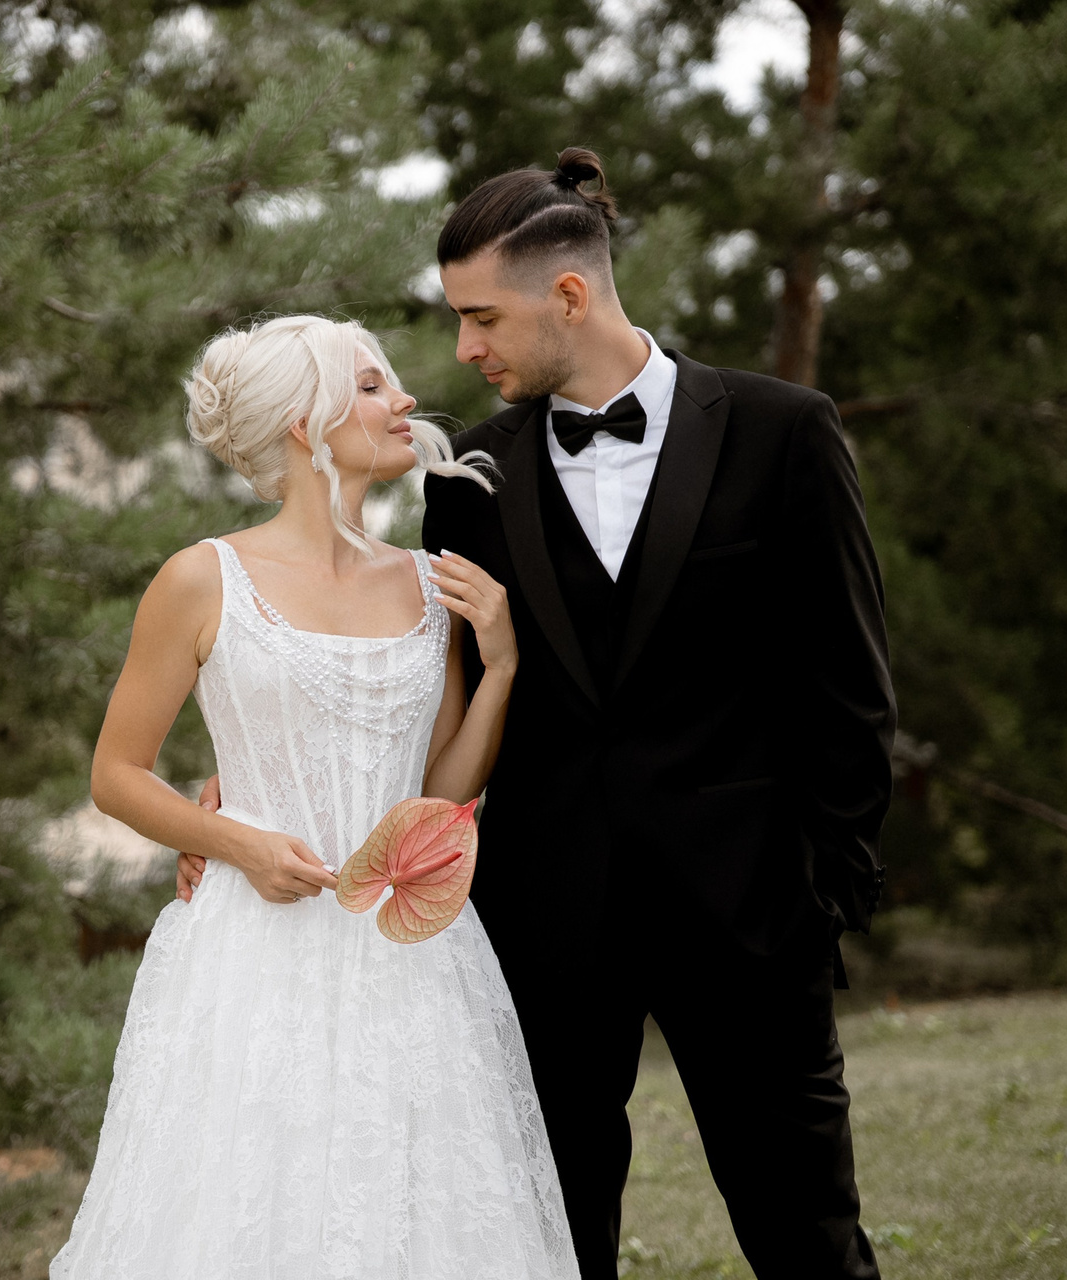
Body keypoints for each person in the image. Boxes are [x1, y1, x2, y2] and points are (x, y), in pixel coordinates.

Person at [180, 149, 897, 1279]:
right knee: (552, 1242)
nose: (465, 350)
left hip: (752, 915)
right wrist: (256, 782)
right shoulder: (467, 480)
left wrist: (825, 894)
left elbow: (849, 685)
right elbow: (430, 694)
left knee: (808, 1235)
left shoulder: (784, 430)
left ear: (567, 294)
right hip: (543, 926)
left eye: (482, 318)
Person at [51, 315, 578, 1280]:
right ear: (305, 422)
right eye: (371, 386)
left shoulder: (429, 585)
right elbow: (116, 774)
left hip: (408, 953)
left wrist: (500, 669)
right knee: (252, 1206)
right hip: (252, 950)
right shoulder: (201, 578)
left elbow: (437, 800)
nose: (405, 399)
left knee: (410, 1211)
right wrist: (238, 843)